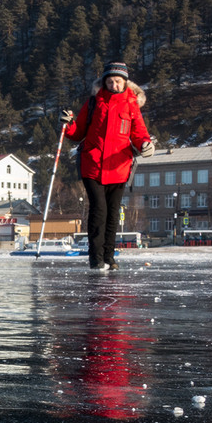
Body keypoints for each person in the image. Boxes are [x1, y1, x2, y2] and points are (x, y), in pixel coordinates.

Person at [62, 62, 154, 272]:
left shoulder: (131, 105)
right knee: (99, 210)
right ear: (104, 82)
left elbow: (139, 133)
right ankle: (95, 259)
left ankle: (109, 256)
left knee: (112, 214)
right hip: (92, 165)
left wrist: (145, 145)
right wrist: (69, 124)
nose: (114, 85)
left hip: (119, 167)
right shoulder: (94, 102)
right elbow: (78, 134)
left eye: (118, 81)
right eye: (110, 81)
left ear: (125, 83)